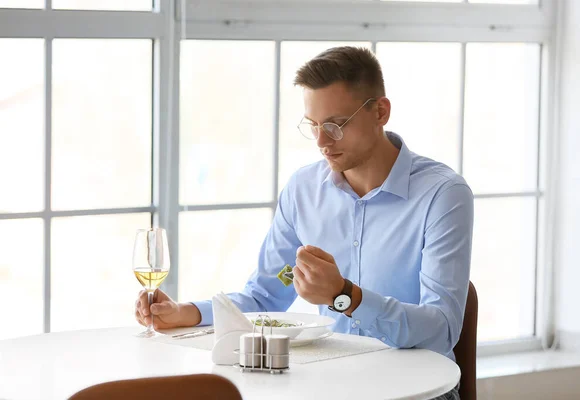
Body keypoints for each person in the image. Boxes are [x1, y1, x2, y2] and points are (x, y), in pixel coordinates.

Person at [136, 46, 472, 399]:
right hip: (331, 386)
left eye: (336, 125)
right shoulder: (304, 190)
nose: (322, 142)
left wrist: (345, 296)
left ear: (380, 112)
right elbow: (265, 296)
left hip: (418, 391)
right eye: (313, 126)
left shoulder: (442, 194)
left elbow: (441, 330)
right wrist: (184, 313)